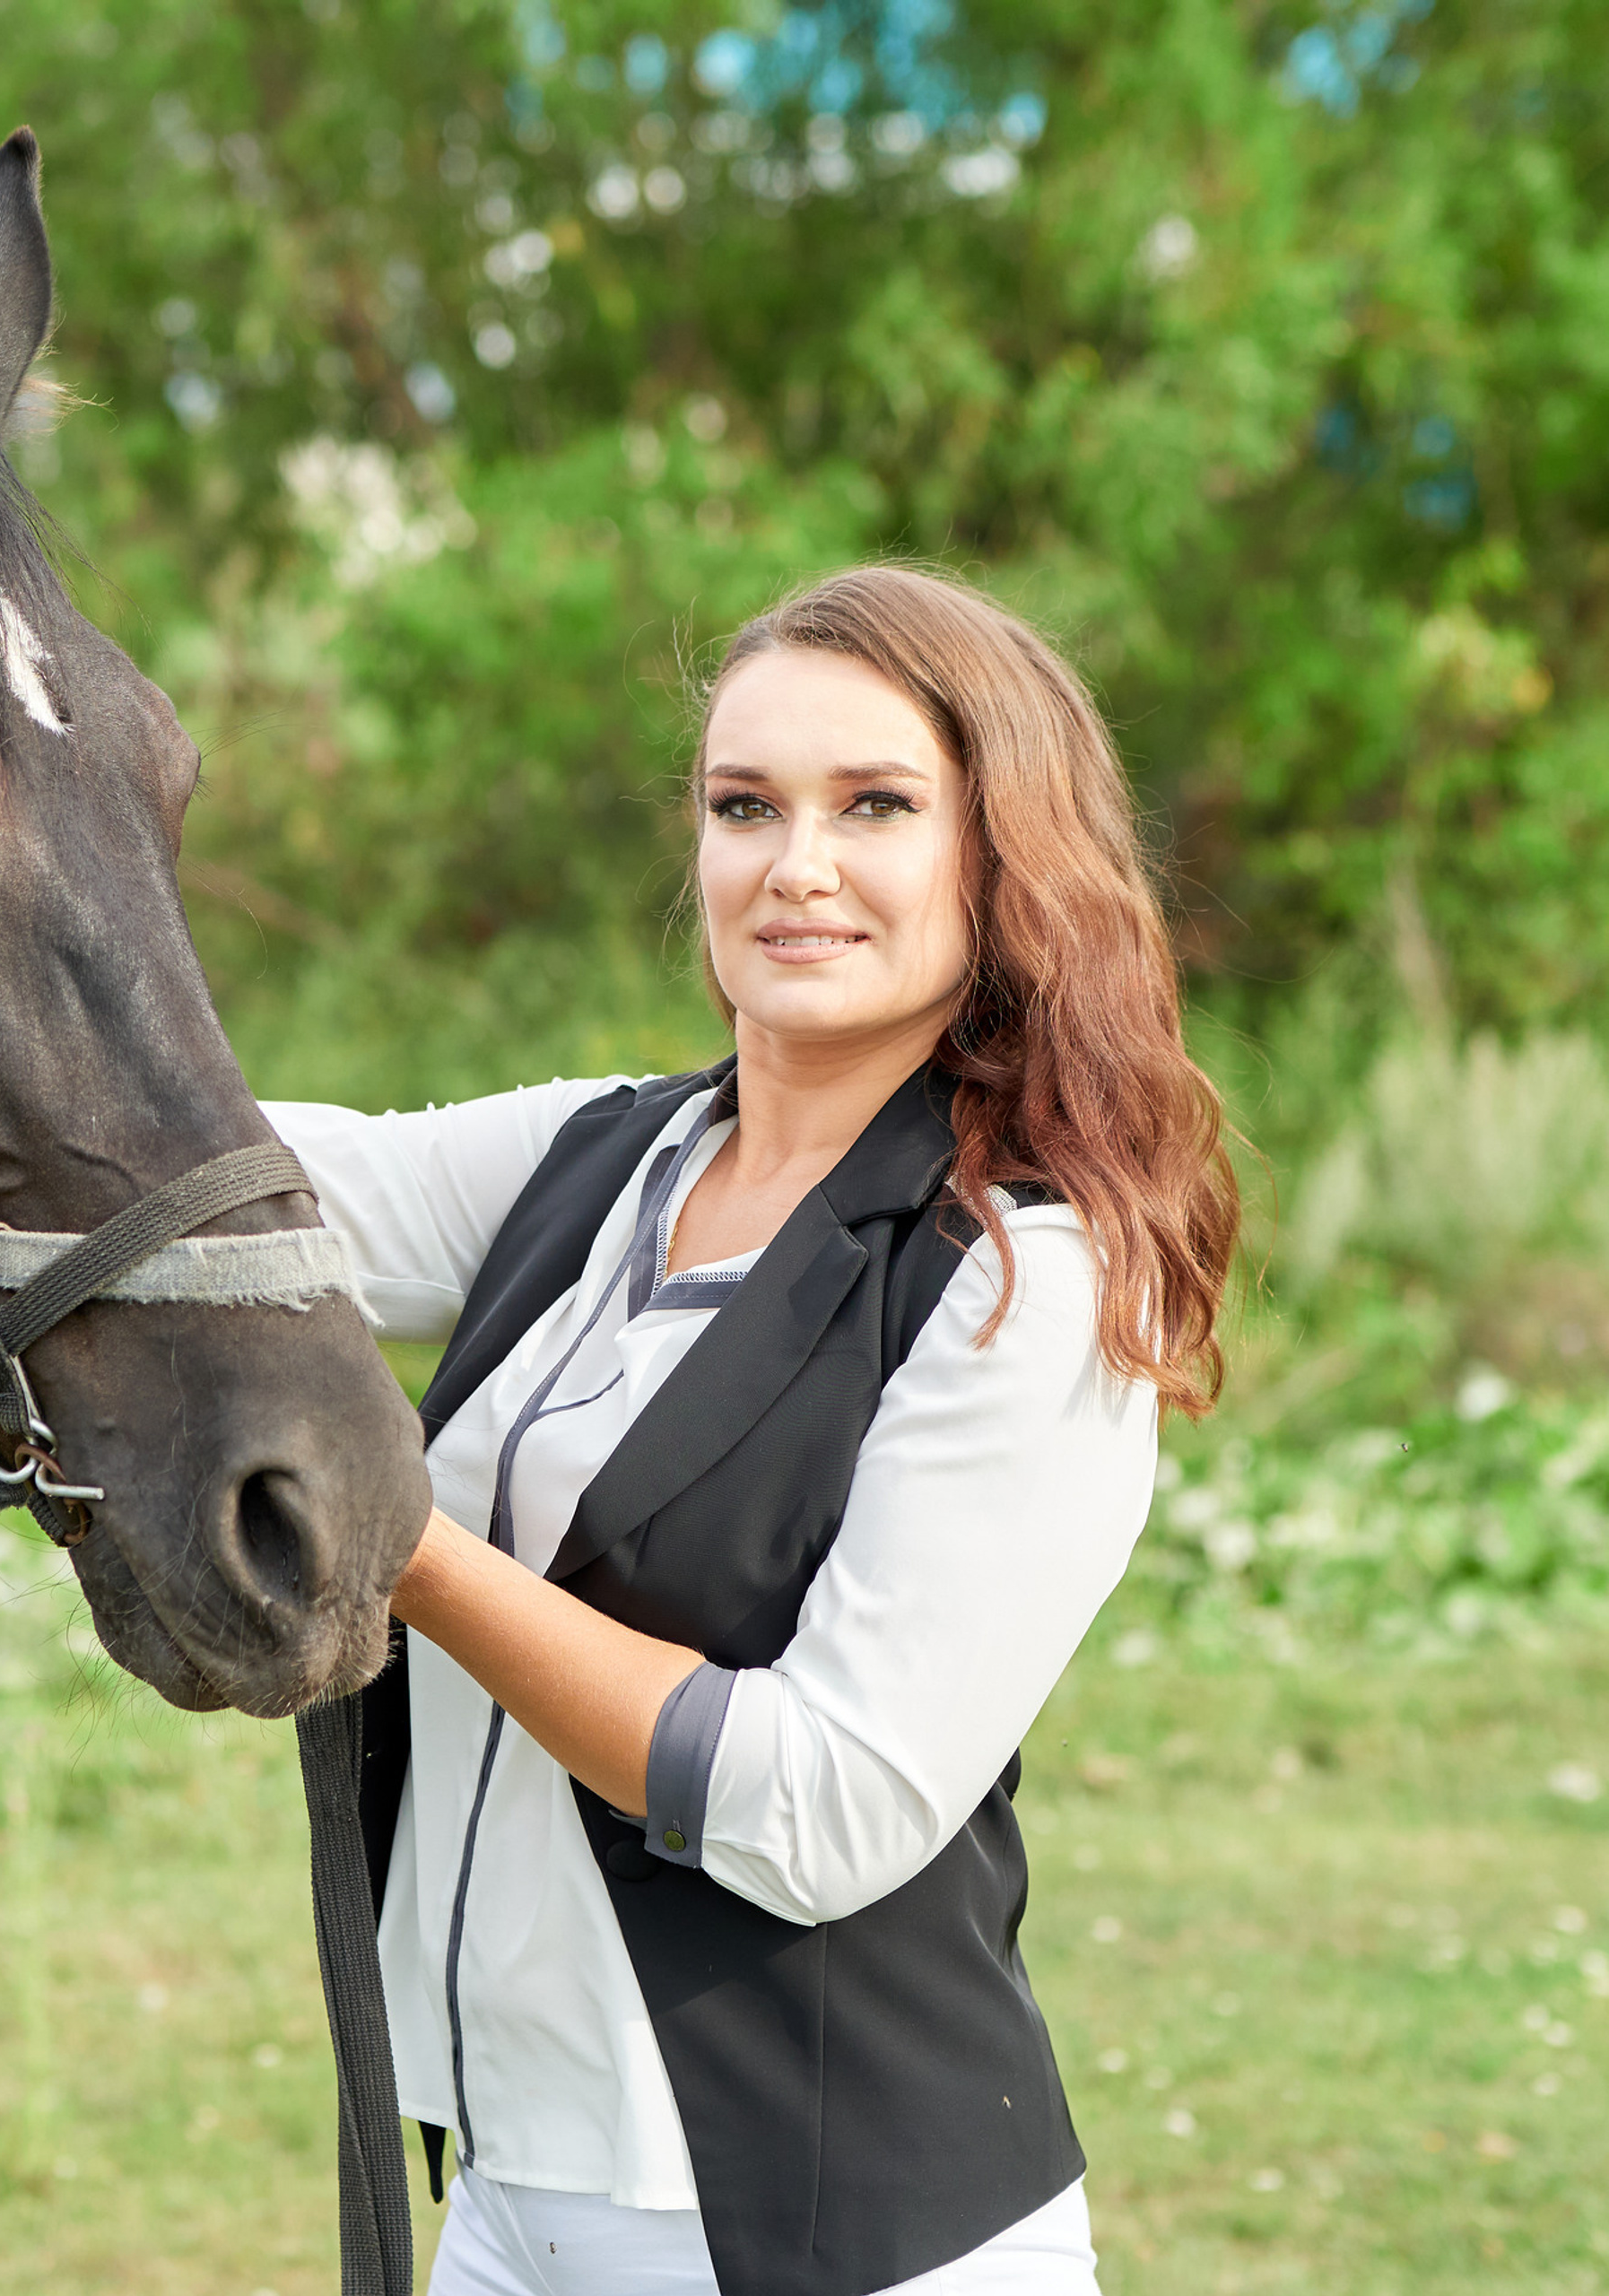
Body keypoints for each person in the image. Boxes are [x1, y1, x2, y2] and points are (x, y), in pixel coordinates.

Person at [264, 566, 1239, 2296]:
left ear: (999, 855)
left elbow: (822, 1805)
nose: (797, 864)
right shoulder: (599, 1160)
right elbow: (222, 1195)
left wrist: (406, 1549)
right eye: (745, 807)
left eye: (875, 806)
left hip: (827, 2235)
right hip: (504, 2206)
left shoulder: (1031, 1276)